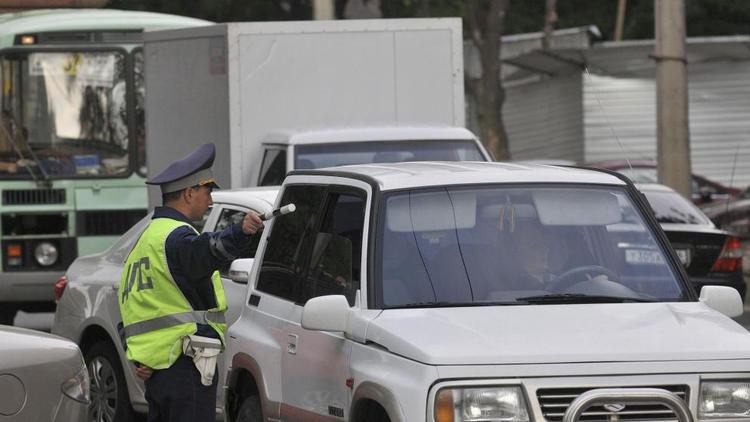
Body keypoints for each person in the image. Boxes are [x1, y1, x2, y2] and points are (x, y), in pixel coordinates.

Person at [118, 143, 263, 422]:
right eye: (207, 192)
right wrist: (242, 231)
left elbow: (130, 308)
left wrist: (140, 357)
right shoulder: (176, 237)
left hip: (158, 370)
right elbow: (205, 251)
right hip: (186, 366)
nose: (210, 201)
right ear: (189, 193)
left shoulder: (145, 243)